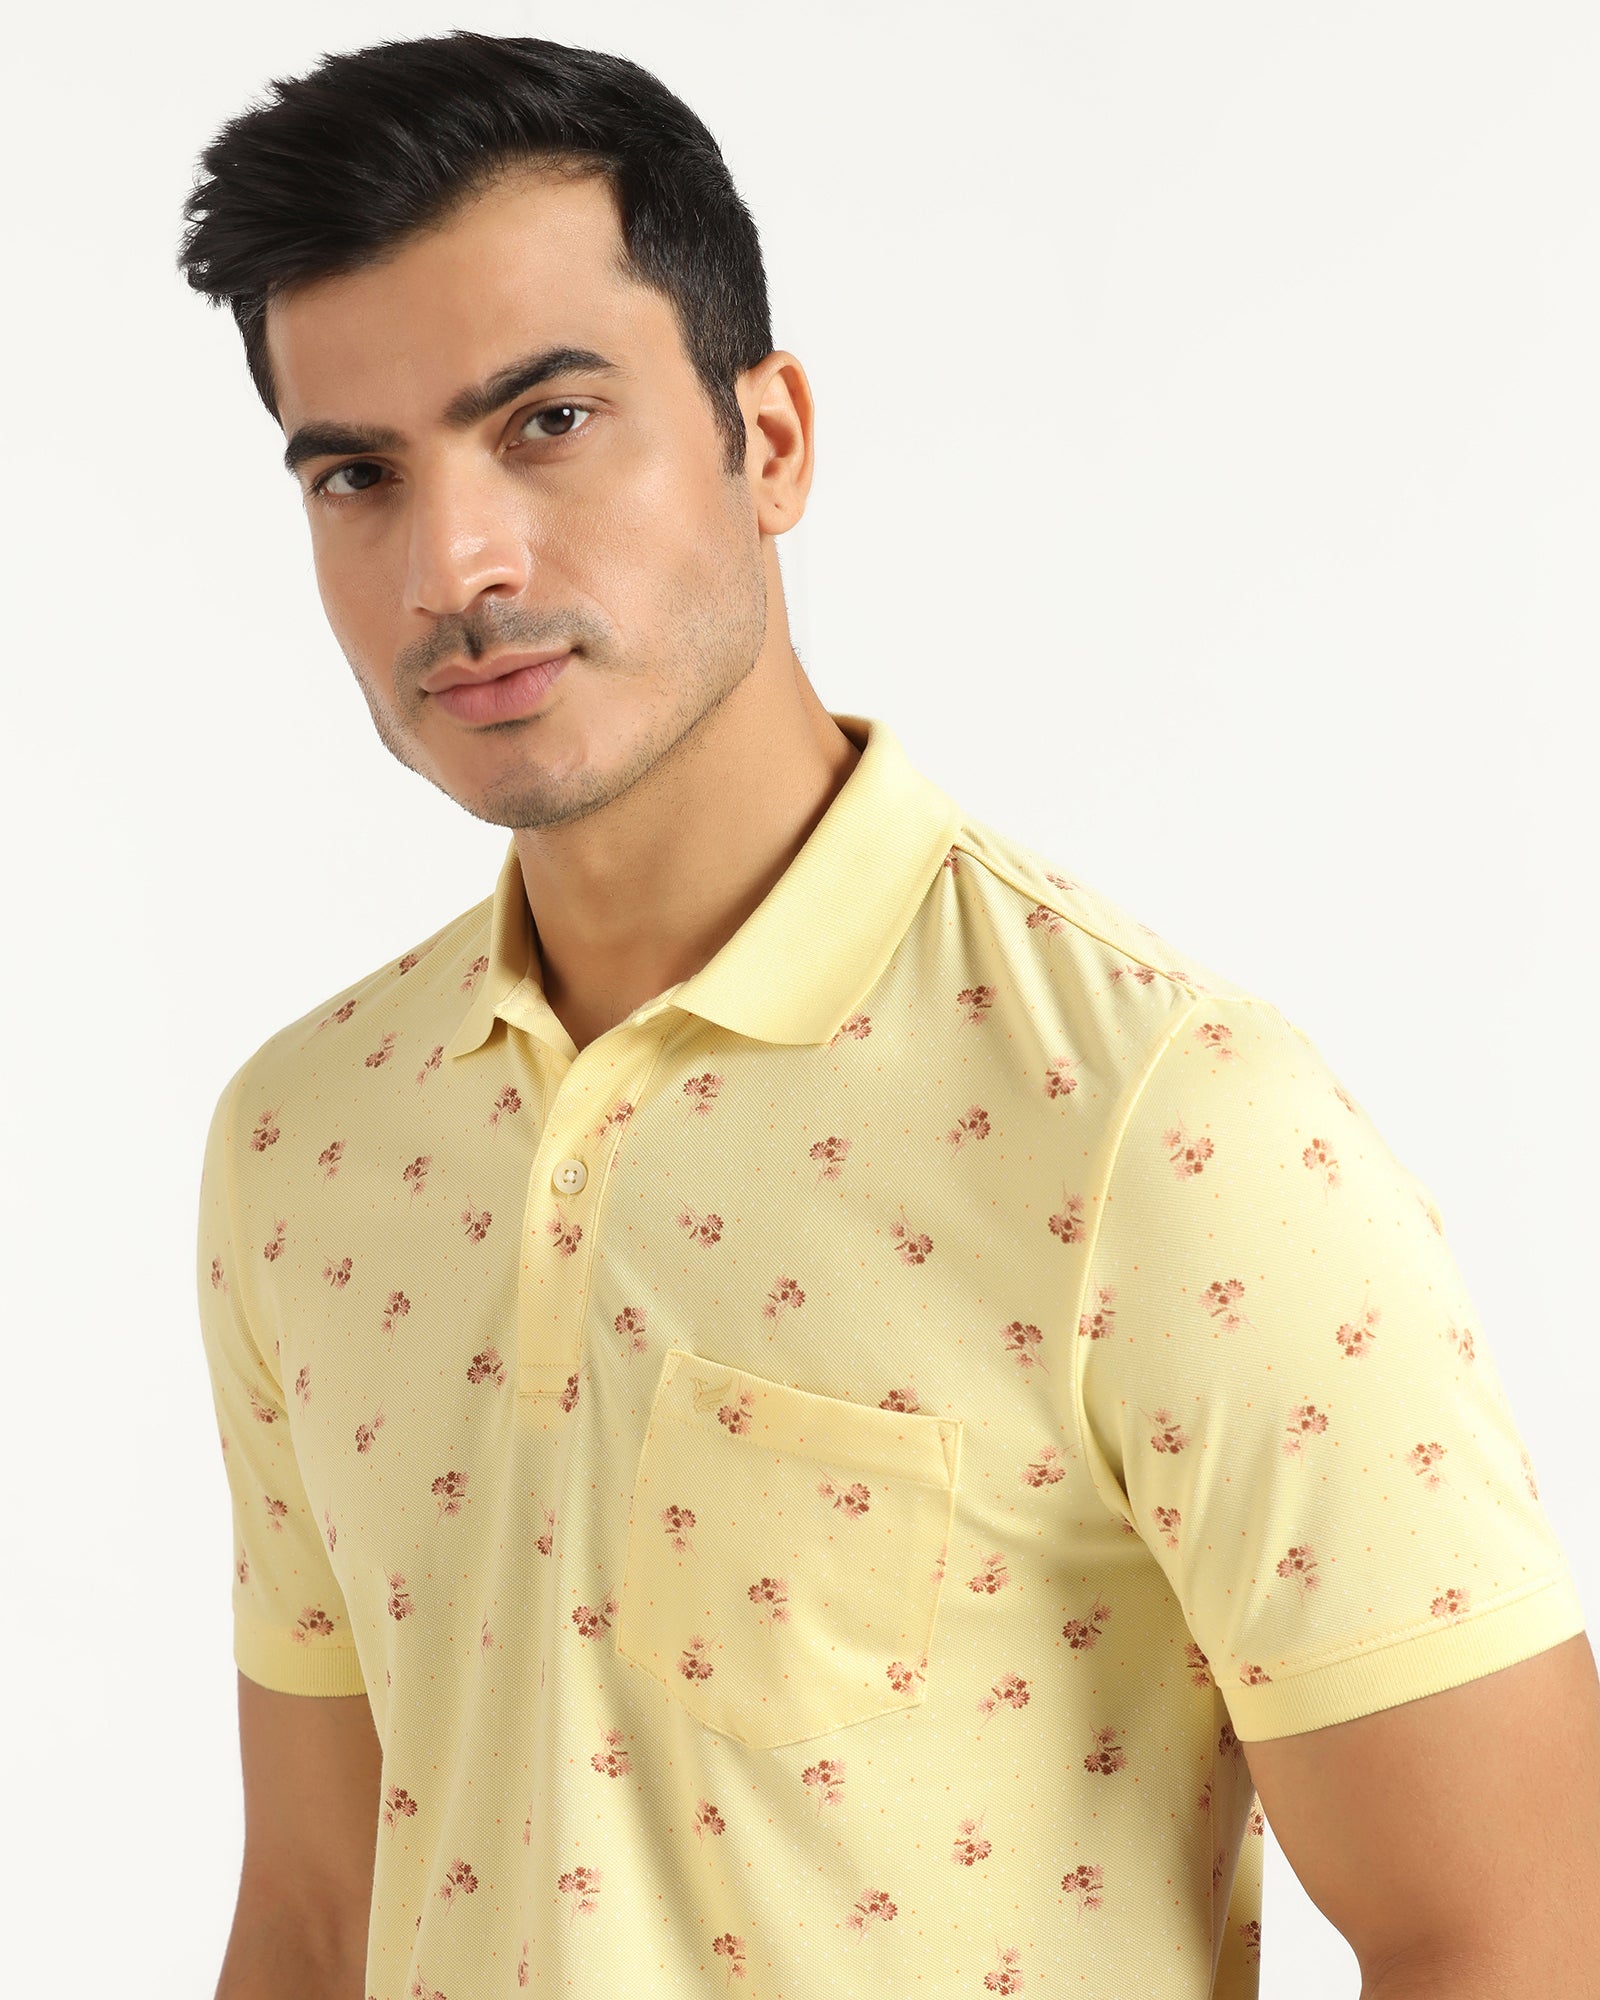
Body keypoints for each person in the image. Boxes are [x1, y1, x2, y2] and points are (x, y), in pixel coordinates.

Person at [177, 31, 1599, 2000]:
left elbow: (1520, 1928)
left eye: (548, 422)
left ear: (767, 440)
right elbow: (317, 1914)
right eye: (358, 474)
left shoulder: (1160, 1124)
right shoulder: (306, 1140)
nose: (456, 563)